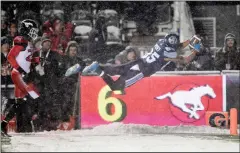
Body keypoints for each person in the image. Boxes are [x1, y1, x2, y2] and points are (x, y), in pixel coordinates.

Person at [82, 32, 201, 93]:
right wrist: (195, 51)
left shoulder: (161, 42)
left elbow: (177, 45)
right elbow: (185, 59)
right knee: (116, 87)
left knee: (114, 69)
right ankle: (97, 69)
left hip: (139, 61)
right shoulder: (171, 54)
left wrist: (191, 39)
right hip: (142, 70)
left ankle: (91, 65)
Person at [1, 19, 40, 136]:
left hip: (23, 75)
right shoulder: (21, 41)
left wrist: (37, 60)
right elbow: (10, 56)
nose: (34, 32)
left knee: (21, 103)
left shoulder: (27, 42)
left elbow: (26, 59)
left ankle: (4, 124)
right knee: (32, 98)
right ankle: (8, 124)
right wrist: (19, 68)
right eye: (32, 29)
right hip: (18, 75)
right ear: (26, 29)